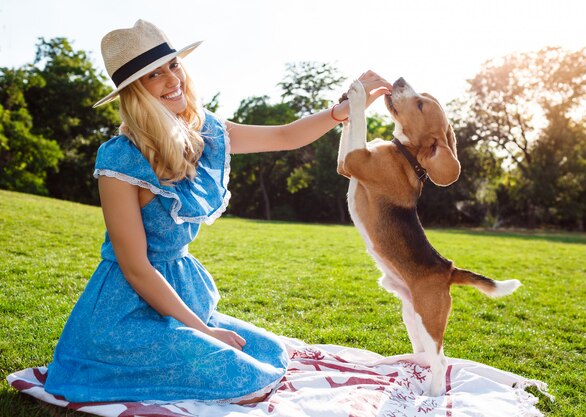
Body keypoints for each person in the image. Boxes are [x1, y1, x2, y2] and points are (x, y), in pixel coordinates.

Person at [43, 19, 392, 404]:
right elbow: (136, 267)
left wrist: (343, 109)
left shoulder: (204, 133)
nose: (171, 79)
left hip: (179, 292)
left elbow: (285, 135)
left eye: (173, 66)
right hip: (123, 310)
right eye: (154, 75)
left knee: (268, 352)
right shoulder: (120, 158)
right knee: (236, 373)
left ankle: (194, 338)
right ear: (134, 92)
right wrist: (203, 332)